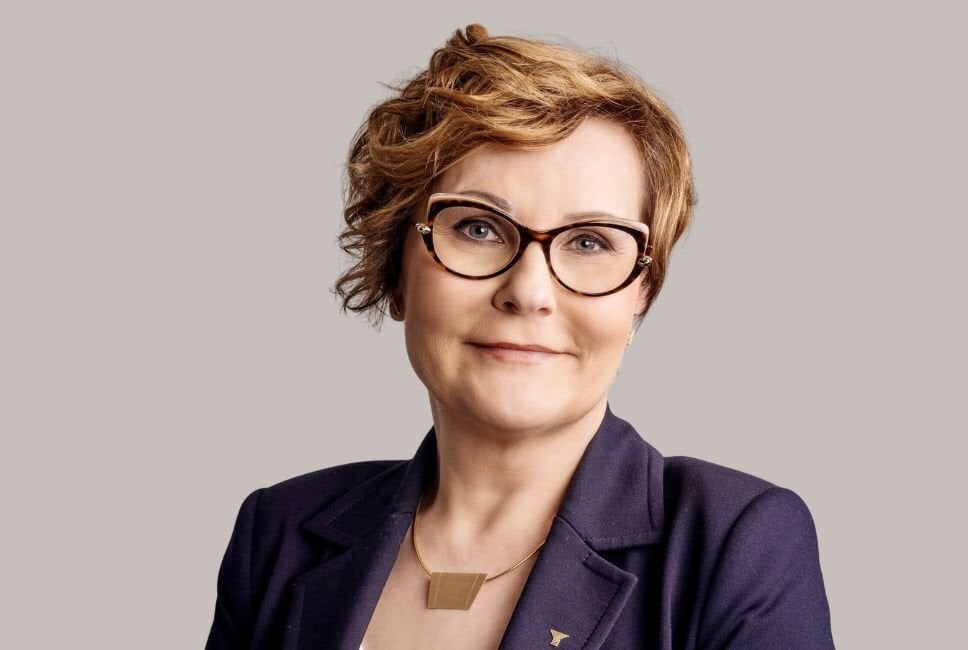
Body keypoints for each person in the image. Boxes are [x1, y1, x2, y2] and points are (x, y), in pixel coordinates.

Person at [206, 24, 834, 649]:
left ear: (641, 293)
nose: (528, 291)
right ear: (394, 268)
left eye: (590, 242)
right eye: (477, 228)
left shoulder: (733, 544)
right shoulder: (278, 535)